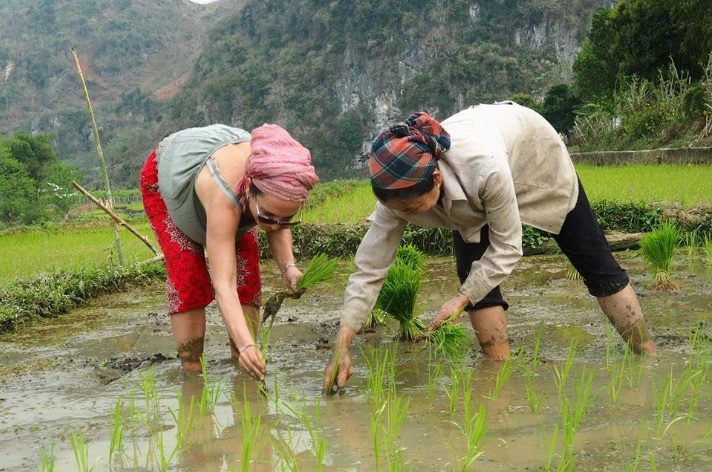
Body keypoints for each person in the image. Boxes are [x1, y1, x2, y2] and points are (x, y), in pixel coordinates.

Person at [323, 101, 656, 393]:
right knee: (474, 277)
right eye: (400, 211)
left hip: (534, 159)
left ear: (436, 179)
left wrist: (460, 299)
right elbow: (369, 268)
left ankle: (648, 356)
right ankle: (499, 377)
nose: (407, 216)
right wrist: (343, 341)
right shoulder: (397, 194)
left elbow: (508, 247)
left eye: (412, 209)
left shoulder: (484, 169)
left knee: (594, 259)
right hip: (470, 189)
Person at [140, 123, 319, 381]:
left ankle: (244, 364)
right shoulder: (225, 193)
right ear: (249, 188)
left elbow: (276, 224)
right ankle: (193, 374)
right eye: (267, 216)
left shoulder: (277, 178)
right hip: (170, 180)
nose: (275, 226)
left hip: (235, 189)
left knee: (248, 275)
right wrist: (248, 344)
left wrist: (289, 268)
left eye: (286, 219)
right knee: (189, 276)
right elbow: (223, 283)